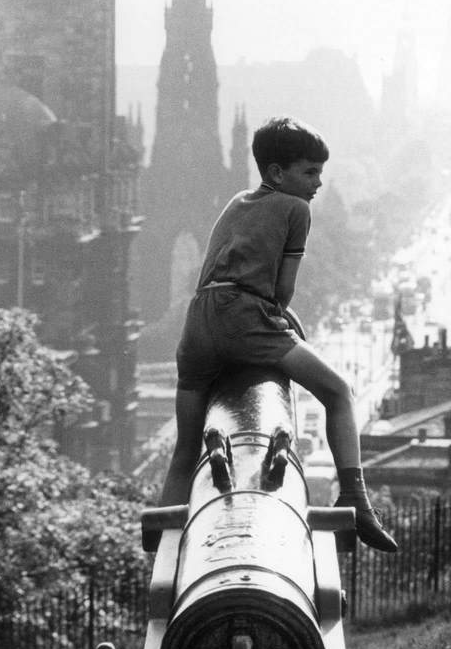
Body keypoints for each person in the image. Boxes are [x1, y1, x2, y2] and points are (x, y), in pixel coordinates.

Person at [160, 115, 397, 552]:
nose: (317, 183)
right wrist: (283, 322)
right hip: (243, 320)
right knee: (339, 392)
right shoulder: (296, 210)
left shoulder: (236, 201)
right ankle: (357, 500)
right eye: (310, 172)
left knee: (184, 449)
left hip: (197, 324)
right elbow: (281, 291)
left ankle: (165, 543)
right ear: (277, 173)